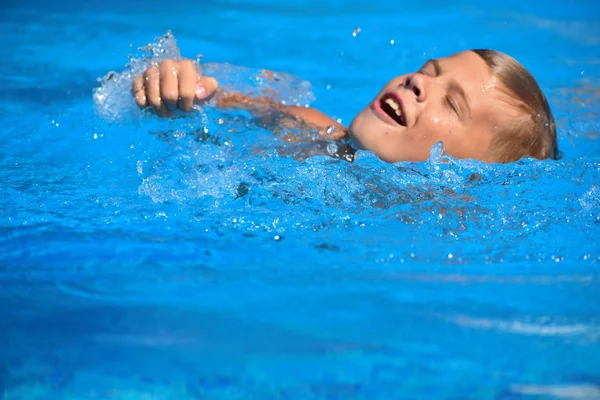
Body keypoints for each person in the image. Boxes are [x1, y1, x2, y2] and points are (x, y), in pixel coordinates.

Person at [132, 49, 558, 164]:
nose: (418, 81)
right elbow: (225, 97)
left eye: (452, 102)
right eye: (428, 70)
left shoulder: (454, 229)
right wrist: (182, 86)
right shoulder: (314, 132)